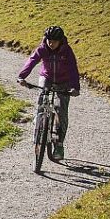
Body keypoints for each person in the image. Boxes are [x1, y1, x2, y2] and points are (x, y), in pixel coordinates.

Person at [18, 25, 80, 161]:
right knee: (42, 98)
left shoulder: (67, 51)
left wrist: (75, 88)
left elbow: (73, 69)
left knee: (61, 111)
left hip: (64, 81)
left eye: (54, 41)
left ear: (60, 41)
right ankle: (39, 124)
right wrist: (22, 76)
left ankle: (58, 145)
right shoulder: (42, 48)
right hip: (46, 77)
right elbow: (32, 61)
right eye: (49, 40)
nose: (51, 44)